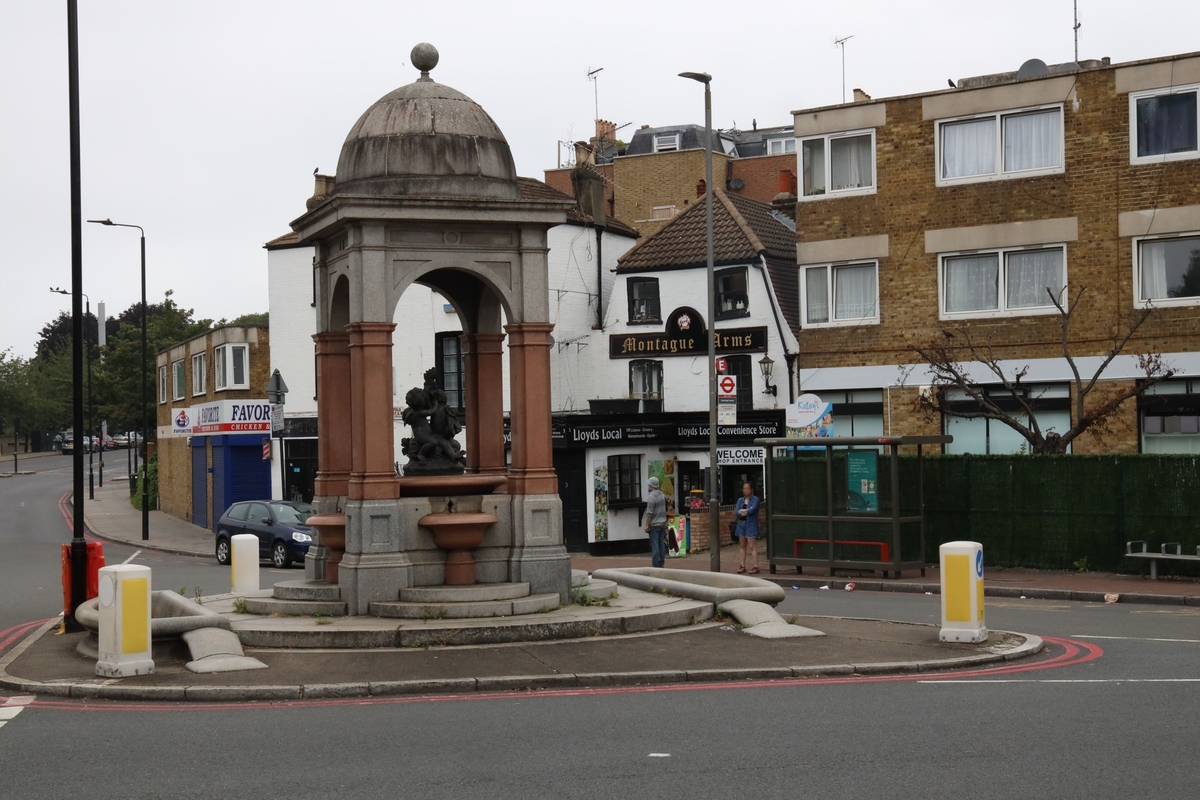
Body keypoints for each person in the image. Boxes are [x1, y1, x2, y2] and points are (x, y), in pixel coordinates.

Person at [734, 481, 761, 574]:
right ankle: (742, 565)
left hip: (751, 524)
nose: (745, 491)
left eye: (747, 488)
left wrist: (744, 511)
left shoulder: (755, 499)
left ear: (751, 489)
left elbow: (751, 510)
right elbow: (736, 511)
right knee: (742, 545)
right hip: (741, 524)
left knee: (752, 545)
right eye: (744, 489)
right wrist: (744, 511)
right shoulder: (740, 500)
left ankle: (756, 565)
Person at [643, 476, 668, 568]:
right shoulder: (662, 495)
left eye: (649, 484)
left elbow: (649, 513)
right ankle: (661, 562)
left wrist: (646, 525)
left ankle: (655, 564)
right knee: (661, 543)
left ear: (651, 485)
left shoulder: (651, 497)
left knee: (655, 544)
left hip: (654, 523)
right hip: (662, 523)